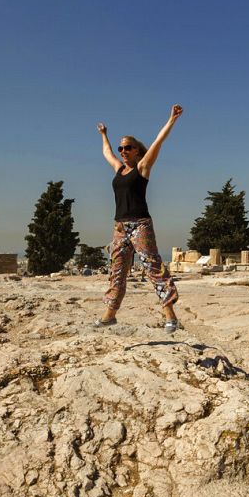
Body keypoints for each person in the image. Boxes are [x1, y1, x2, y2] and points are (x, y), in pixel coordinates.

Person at [95, 105, 182, 332]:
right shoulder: (118, 169)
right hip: (120, 227)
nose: (123, 151)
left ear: (137, 151)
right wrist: (104, 135)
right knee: (117, 271)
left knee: (153, 268)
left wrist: (171, 119)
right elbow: (106, 153)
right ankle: (109, 315)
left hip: (140, 225)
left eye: (128, 148)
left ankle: (170, 315)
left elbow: (157, 142)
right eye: (121, 148)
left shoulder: (142, 168)